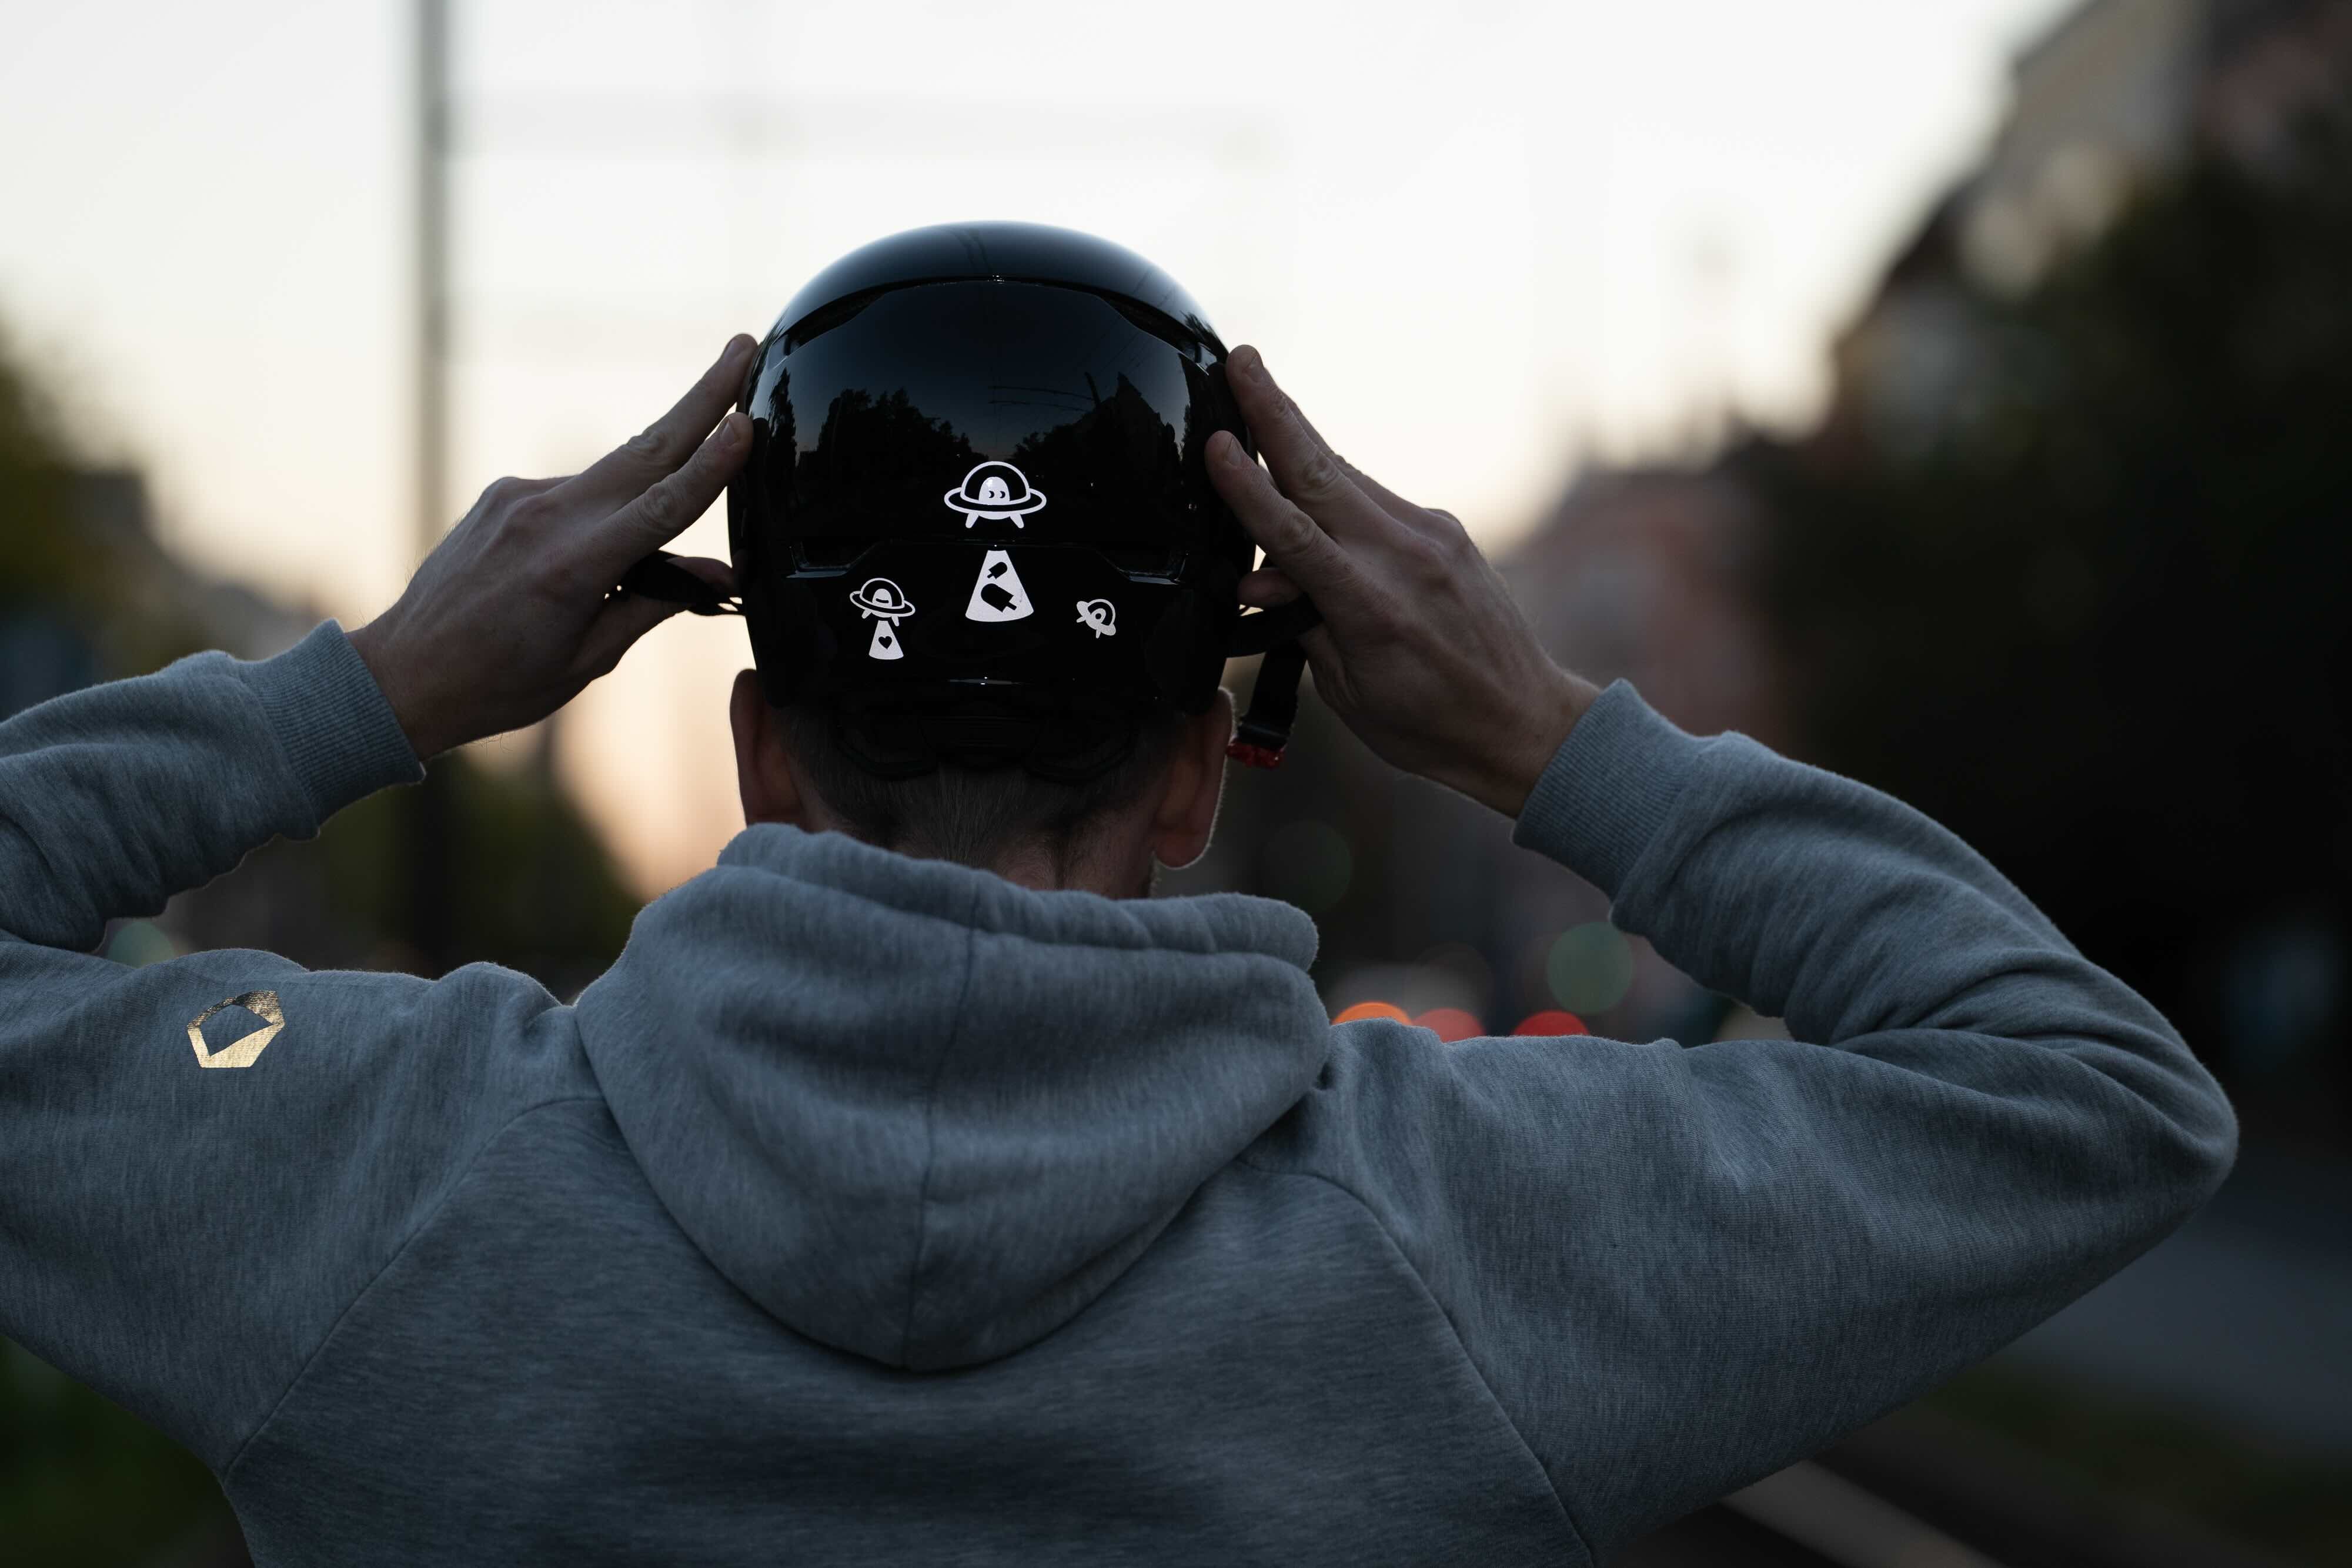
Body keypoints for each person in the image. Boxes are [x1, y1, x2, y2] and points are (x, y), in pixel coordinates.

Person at [0, 226, 2234, 1568]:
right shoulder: (1455, 1235)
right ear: (1196, 774)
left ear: (758, 756)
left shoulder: (372, 1174)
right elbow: (2097, 1094)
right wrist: (1550, 732)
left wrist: (373, 687)